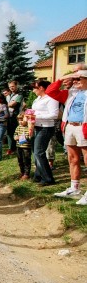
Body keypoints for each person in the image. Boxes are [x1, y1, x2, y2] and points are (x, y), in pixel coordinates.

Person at [51, 71, 87, 205]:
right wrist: (61, 78)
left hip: (83, 127)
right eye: (74, 78)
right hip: (70, 127)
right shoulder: (72, 93)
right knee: (72, 159)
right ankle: (75, 188)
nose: (75, 81)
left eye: (79, 78)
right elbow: (51, 91)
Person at [30, 80, 59, 186]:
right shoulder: (38, 99)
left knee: (39, 152)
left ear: (41, 88)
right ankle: (38, 174)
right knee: (36, 152)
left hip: (46, 127)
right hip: (36, 127)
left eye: (35, 88)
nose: (33, 90)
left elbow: (54, 115)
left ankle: (48, 178)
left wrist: (36, 116)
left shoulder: (51, 99)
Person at [5, 81, 24, 154]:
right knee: (9, 133)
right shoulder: (8, 95)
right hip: (9, 116)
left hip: (16, 116)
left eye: (13, 86)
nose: (11, 88)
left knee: (17, 131)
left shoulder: (19, 95)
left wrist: (6, 105)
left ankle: (19, 147)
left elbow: (12, 104)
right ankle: (11, 148)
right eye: (10, 87)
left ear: (16, 86)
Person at [14, 113, 32, 180]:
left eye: (22, 120)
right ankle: (22, 172)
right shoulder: (18, 127)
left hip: (26, 147)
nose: (20, 121)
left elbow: (29, 136)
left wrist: (20, 138)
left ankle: (26, 173)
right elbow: (15, 134)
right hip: (19, 146)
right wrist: (15, 137)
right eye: (19, 120)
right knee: (20, 160)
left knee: (26, 160)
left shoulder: (28, 127)